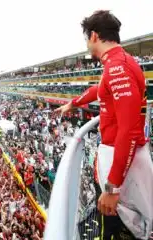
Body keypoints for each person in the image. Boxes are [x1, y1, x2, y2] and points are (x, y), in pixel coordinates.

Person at [55, 10, 149, 239]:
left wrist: (112, 188)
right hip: (122, 162)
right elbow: (100, 90)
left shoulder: (118, 67)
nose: (87, 44)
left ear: (94, 36)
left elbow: (129, 131)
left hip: (123, 168)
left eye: (87, 38)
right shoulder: (117, 64)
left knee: (122, 231)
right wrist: (74, 103)